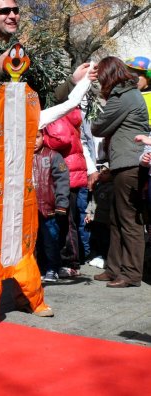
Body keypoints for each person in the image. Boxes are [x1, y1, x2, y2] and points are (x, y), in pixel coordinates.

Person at [0, 0, 94, 328]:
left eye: (15, 9)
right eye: (4, 11)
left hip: (17, 159)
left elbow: (44, 95)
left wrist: (72, 82)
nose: (13, 14)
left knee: (20, 228)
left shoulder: (25, 53)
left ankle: (22, 296)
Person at [91, 56, 149, 288]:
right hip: (122, 164)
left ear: (109, 75)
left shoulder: (123, 96)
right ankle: (114, 268)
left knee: (129, 221)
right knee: (116, 219)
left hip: (129, 164)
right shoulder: (128, 93)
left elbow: (98, 126)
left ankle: (132, 274)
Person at [42, 108, 90, 277]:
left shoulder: (56, 114)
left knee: (66, 222)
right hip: (73, 172)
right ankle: (68, 260)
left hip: (66, 174)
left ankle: (70, 262)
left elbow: (60, 140)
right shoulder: (68, 113)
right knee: (68, 221)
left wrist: (41, 136)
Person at [33, 129, 70, 282]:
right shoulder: (21, 156)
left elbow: (62, 181)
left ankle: (52, 268)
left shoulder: (53, 156)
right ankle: (36, 269)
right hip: (28, 209)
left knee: (50, 240)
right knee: (33, 243)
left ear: (43, 137)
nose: (34, 140)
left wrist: (61, 203)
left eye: (37, 137)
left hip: (48, 207)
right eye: (30, 137)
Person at [84, 163, 113, 269]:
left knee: (106, 239)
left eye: (105, 172)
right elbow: (92, 202)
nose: (101, 174)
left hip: (105, 219)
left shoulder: (112, 188)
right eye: (100, 172)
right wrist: (88, 213)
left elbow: (111, 206)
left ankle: (105, 258)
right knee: (96, 238)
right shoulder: (98, 185)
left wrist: (111, 220)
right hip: (96, 218)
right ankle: (98, 255)